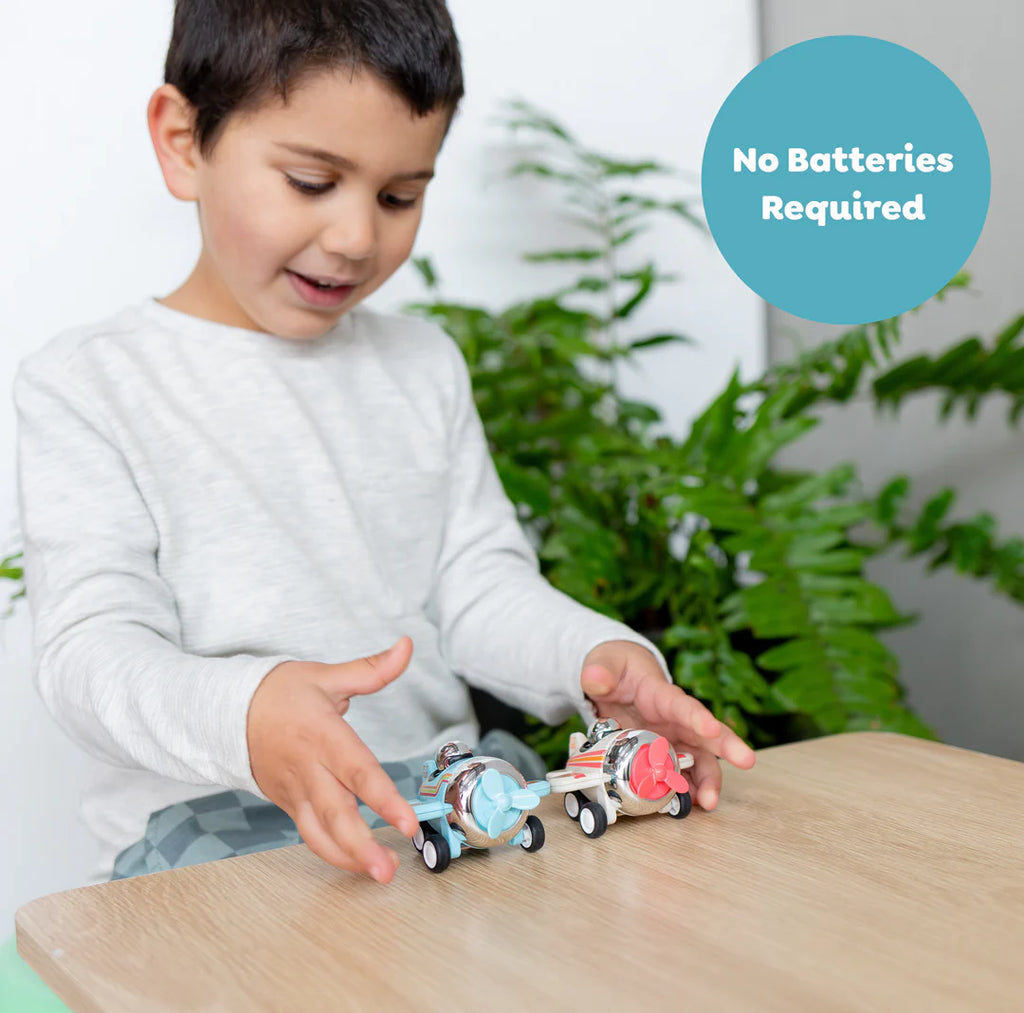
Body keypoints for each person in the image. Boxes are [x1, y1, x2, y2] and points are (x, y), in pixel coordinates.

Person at [14, 0, 755, 888]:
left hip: (438, 784)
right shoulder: (86, 383)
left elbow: (477, 586)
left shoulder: (422, 365)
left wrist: (590, 655)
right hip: (210, 814)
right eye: (311, 182)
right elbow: (92, 653)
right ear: (182, 140)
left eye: (401, 194)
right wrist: (247, 710)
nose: (359, 236)